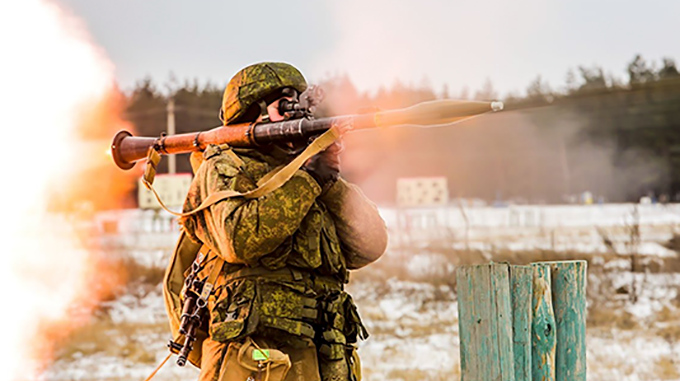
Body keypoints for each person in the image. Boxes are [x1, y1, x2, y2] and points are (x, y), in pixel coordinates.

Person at [180, 62, 388, 381]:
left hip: (322, 355)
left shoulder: (310, 172)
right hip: (257, 357)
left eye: (298, 103)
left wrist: (328, 179)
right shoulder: (225, 167)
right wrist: (306, 181)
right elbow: (240, 240)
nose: (296, 114)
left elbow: (370, 245)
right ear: (253, 113)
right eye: (284, 105)